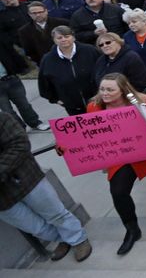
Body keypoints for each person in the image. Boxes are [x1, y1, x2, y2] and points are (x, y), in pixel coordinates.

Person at [81, 73, 146, 255]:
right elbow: (88, 134)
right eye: (102, 89)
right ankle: (132, 229)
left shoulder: (143, 102)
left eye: (110, 89)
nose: (105, 93)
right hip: (121, 156)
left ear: (123, 89)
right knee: (118, 192)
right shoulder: (94, 107)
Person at [0, 111, 92, 262]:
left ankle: (77, 239)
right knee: (33, 227)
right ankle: (62, 238)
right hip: (3, 199)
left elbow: (19, 143)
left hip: (25, 178)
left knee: (55, 213)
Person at [37, 26, 99, 115]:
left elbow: (104, 71)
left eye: (67, 36)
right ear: (54, 40)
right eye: (59, 38)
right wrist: (55, 99)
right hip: (73, 108)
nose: (63, 40)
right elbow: (44, 83)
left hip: (97, 102)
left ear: (73, 37)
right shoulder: (47, 59)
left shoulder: (90, 50)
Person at [0, 40, 49, 131]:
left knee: (24, 104)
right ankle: (19, 128)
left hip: (11, 79)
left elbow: (12, 53)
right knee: (7, 110)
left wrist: (22, 68)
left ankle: (35, 123)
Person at [18, 1, 68, 65]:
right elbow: (29, 51)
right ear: (29, 14)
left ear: (46, 11)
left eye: (40, 12)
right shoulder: (24, 31)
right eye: (34, 13)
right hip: (46, 62)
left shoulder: (62, 23)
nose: (38, 15)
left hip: (67, 56)